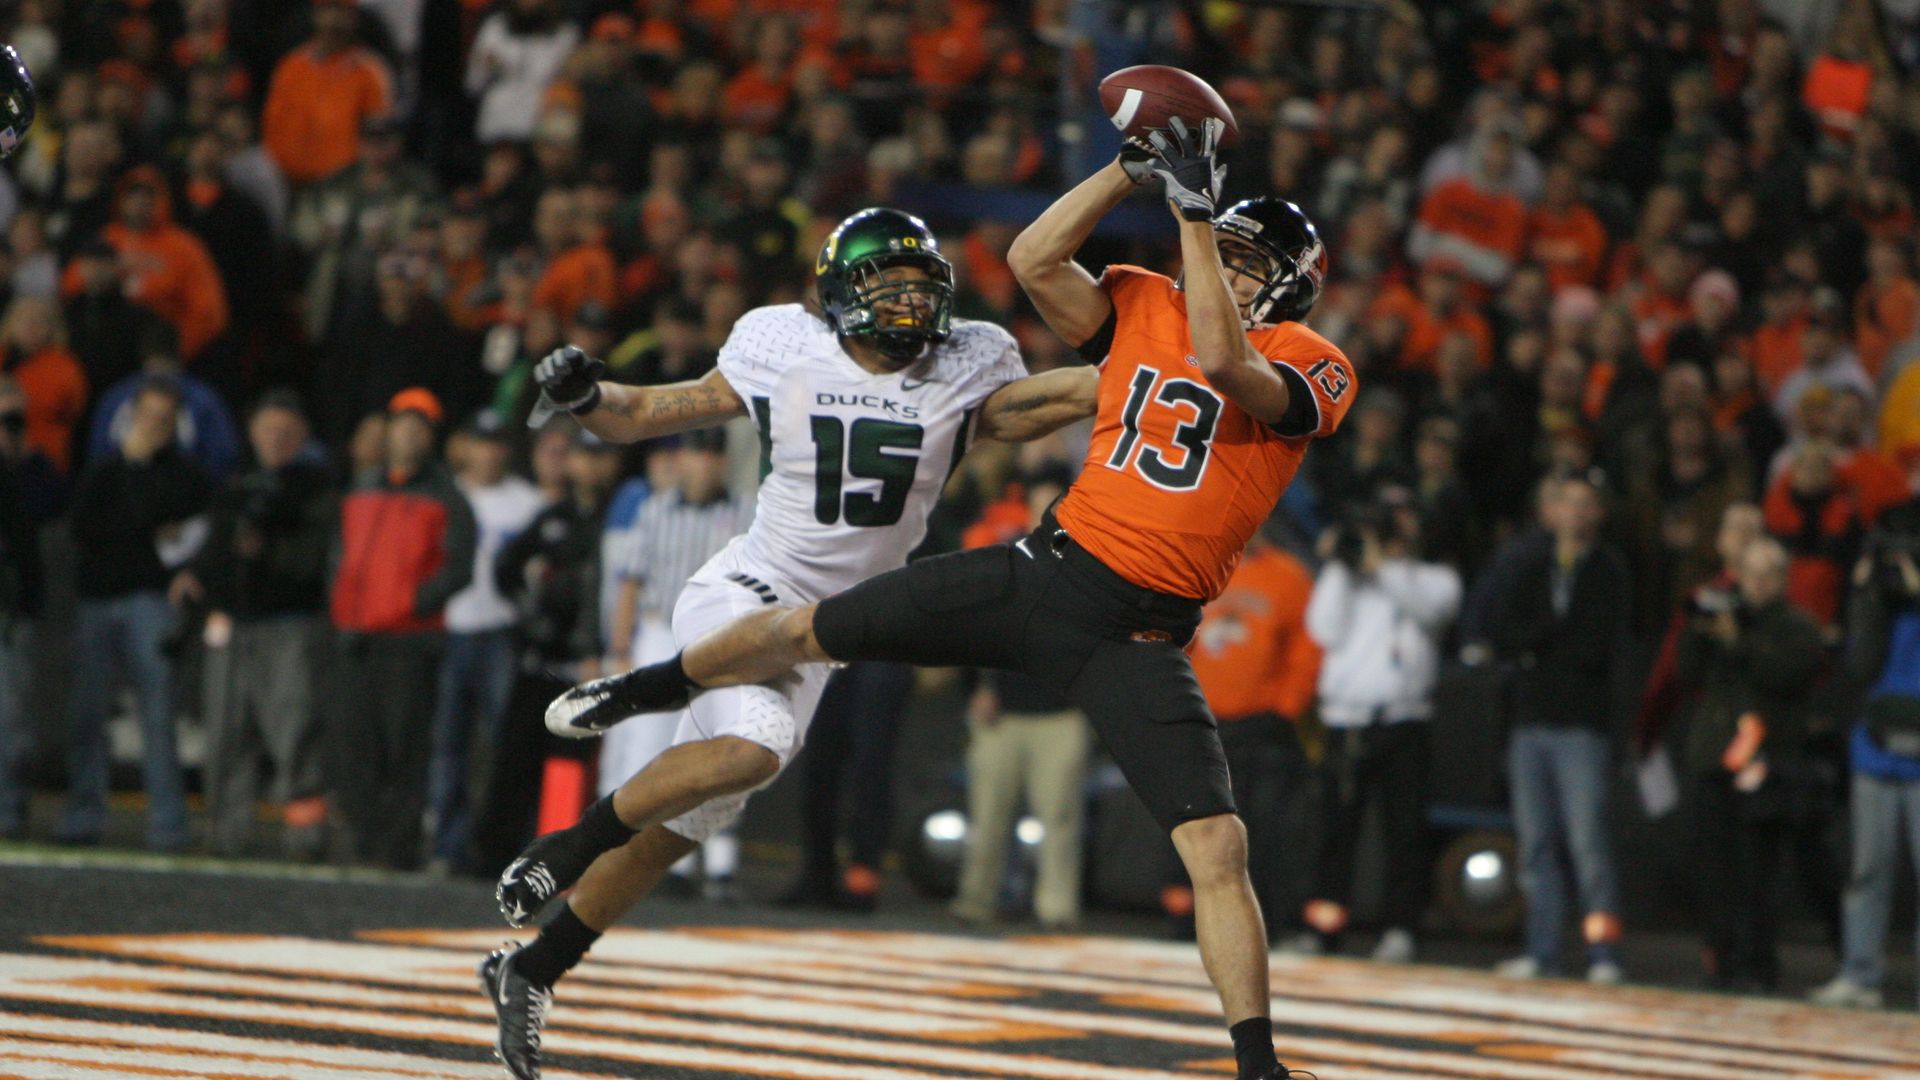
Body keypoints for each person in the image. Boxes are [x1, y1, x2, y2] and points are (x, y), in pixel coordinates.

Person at [529, 126, 1350, 1080]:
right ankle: (644, 698)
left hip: (1138, 634)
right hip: (1044, 571)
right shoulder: (1147, 304)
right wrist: (1128, 171)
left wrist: (1199, 221)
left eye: (1258, 267)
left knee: (1218, 844)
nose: (1238, 275)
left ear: (1293, 287)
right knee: (805, 626)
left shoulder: (1314, 359)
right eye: (1233, 259)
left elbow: (1223, 359)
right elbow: (1033, 256)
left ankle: (1258, 1063)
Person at [474, 205, 1101, 1080]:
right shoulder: (781, 345)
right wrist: (588, 395)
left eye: (923, 286)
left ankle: (532, 966)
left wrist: (1172, 365)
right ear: (841, 289)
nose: (911, 303)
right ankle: (568, 843)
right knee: (755, 748)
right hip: (745, 591)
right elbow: (647, 411)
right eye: (890, 283)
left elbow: (1077, 394)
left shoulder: (970, 364)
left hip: (829, 631)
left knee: (684, 822)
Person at [1468, 472, 1633, 983]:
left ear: (1599, 513)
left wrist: (1539, 647)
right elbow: (1504, 629)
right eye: (1567, 502)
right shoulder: (1530, 563)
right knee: (1536, 845)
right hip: (1530, 721)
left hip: (1582, 724)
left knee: (1589, 845)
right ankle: (1543, 953)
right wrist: (1544, 642)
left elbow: (1598, 643)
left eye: (1586, 504)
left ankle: (1603, 954)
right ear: (1551, 511)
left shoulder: (1609, 570)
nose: (1576, 513)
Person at [1290, 497, 1460, 964]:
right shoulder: (1348, 578)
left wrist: (1381, 563)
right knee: (1334, 832)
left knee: (1403, 832)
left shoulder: (1433, 579)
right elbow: (1324, 629)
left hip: (1405, 720)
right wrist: (1341, 566)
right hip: (1346, 721)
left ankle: (1400, 930)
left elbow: (1427, 611)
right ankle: (1323, 929)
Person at [176, 390, 336, 860]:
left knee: (294, 734)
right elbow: (216, 545)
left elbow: (312, 562)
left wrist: (267, 551)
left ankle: (305, 838)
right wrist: (200, 576)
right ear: (252, 433)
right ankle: (226, 834)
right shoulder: (237, 484)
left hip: (288, 625)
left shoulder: (314, 488)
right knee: (226, 734)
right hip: (234, 623)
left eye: (286, 432)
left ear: (302, 437)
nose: (276, 439)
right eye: (269, 430)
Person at [596, 427, 753, 899]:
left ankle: (718, 866)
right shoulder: (655, 509)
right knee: (644, 749)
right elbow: (630, 582)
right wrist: (621, 648)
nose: (703, 464)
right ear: (681, 459)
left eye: (711, 454)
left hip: (722, 641)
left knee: (721, 752)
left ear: (722, 462)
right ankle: (635, 858)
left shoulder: (746, 511)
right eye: (695, 453)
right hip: (659, 634)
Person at [327, 388, 476, 869]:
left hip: (412, 643)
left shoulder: (447, 498)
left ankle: (397, 850)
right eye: (403, 425)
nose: (409, 435)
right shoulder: (362, 488)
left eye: (420, 428)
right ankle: (365, 843)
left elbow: (460, 568)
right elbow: (340, 557)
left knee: (405, 751)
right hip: (358, 638)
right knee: (356, 748)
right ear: (388, 430)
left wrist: (410, 604)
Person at [62, 378, 213, 851]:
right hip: (98, 602)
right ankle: (83, 816)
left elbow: (171, 521)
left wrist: (138, 472)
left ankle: (168, 826)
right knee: (86, 715)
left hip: (150, 602)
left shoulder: (187, 475)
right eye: (148, 415)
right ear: (132, 416)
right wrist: (133, 480)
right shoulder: (104, 469)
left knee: (158, 716)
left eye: (164, 418)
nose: (154, 426)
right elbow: (83, 526)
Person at [1671, 536, 1826, 992]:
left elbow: (1783, 675)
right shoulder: (1726, 617)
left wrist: (1738, 641)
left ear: (1782, 579)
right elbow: (1689, 675)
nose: (1756, 585)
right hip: (1716, 759)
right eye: (1750, 574)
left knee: (1758, 871)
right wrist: (1695, 629)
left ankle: (1758, 965)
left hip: (1766, 763)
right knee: (1713, 868)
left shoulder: (1798, 626)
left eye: (1767, 575)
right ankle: (1720, 961)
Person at [1183, 516, 1319, 943]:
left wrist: (1285, 707)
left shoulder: (1289, 576)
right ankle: (1190, 924)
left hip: (1262, 725)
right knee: (1197, 827)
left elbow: (1307, 648)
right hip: (1204, 721)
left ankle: (1268, 927)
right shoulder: (1198, 568)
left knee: (1262, 829)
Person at [1810, 493, 1920, 1010]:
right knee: (1867, 869)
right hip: (1875, 750)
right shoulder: (1878, 596)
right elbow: (1861, 666)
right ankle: (1859, 973)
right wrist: (1866, 596)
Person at [428, 410, 544, 874]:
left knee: (506, 744)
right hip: (450, 625)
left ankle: (506, 845)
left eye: (497, 442)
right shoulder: (445, 495)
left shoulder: (528, 502)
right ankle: (447, 845)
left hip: (502, 627)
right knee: (447, 744)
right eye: (481, 441)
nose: (489, 452)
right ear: (465, 446)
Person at [0, 374, 61, 840]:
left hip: (13, 612)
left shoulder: (37, 472)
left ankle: (9, 810)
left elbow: (47, 510)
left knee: (12, 717)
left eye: (13, 419)